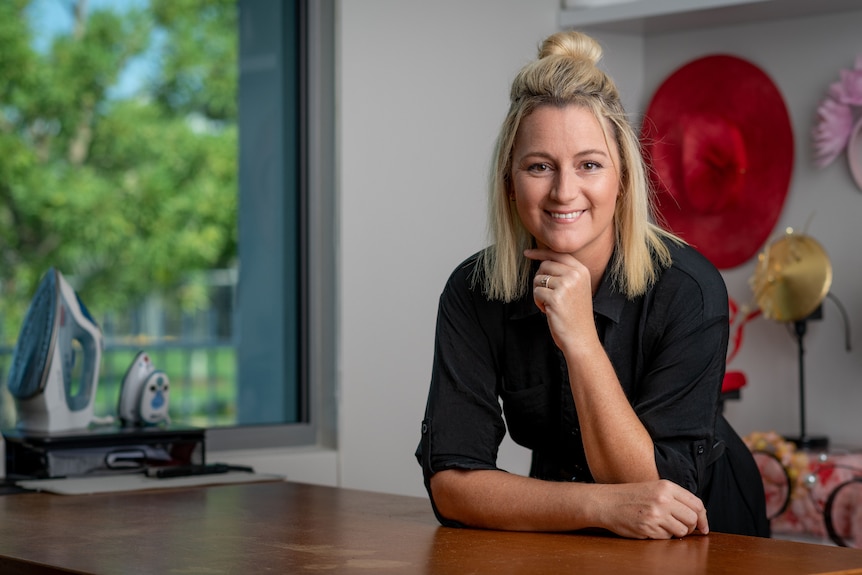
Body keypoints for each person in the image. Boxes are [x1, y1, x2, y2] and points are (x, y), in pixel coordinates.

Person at [415, 29, 769, 539]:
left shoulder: (688, 289)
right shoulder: (474, 291)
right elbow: (451, 484)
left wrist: (580, 339)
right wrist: (598, 507)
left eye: (589, 164)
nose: (564, 191)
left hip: (711, 535)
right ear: (509, 183)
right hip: (567, 527)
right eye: (539, 166)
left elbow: (654, 492)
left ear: (622, 177)